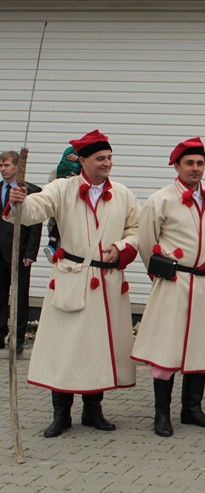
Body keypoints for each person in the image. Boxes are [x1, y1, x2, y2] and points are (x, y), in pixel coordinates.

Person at [5, 130, 140, 438]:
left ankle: (93, 410)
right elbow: (33, 210)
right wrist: (19, 201)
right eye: (100, 158)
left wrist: (122, 247)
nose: (107, 163)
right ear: (83, 161)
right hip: (72, 278)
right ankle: (61, 414)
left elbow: (137, 229)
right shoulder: (62, 188)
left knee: (98, 349)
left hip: (106, 283)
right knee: (65, 348)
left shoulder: (122, 193)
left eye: (109, 158)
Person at [131, 137, 205, 437]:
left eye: (200, 163)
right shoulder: (160, 199)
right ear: (176, 166)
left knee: (201, 346)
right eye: (190, 163)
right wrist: (160, 272)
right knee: (167, 348)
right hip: (175, 282)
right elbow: (146, 242)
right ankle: (161, 414)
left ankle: (192, 409)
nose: (196, 168)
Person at [0, 150, 42, 354]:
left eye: (7, 165)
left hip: (20, 251)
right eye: (1, 166)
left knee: (19, 296)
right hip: (0, 251)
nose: (3, 169)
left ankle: (17, 339)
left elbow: (35, 224)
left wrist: (30, 252)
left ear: (18, 166)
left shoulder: (30, 191)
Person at [43, 144, 82, 260]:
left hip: (77, 222)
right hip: (60, 214)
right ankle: (53, 246)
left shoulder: (84, 174)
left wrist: (77, 180)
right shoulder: (56, 172)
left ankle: (52, 244)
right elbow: (49, 190)